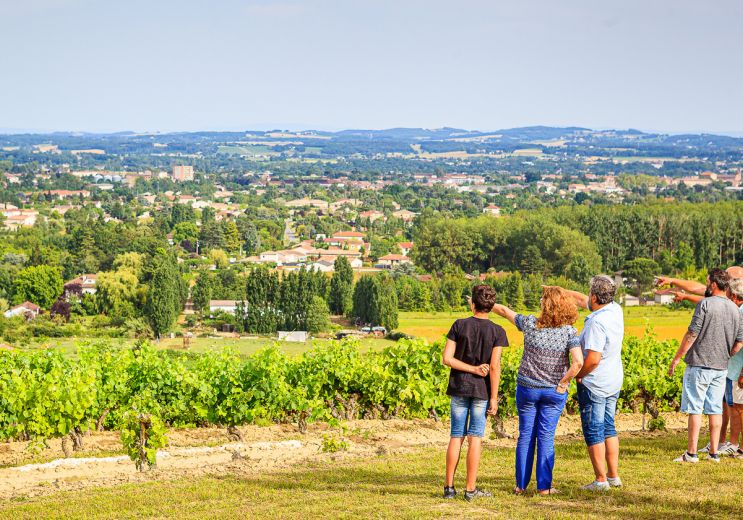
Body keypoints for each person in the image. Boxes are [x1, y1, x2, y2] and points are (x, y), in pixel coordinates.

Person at [491, 287, 584, 496]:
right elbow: (578, 362)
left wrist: (482, 302)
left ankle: (520, 485)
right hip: (553, 391)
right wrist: (563, 382)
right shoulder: (569, 331)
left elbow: (505, 311)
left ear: (546, 305)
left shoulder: (530, 324)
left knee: (525, 435)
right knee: (545, 437)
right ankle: (544, 487)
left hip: (527, 389)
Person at [657, 266, 743, 455]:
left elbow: (692, 332)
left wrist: (677, 358)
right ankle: (715, 450)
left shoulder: (711, 304)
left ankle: (695, 452)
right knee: (719, 409)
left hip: (710, 365)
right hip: (722, 367)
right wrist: (726, 355)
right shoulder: (734, 308)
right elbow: (739, 341)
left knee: (703, 408)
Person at [442, 284, 509, 501]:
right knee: (475, 438)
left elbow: (447, 359)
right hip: (482, 391)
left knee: (456, 436)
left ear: (472, 304)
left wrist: (469, 368)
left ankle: (449, 488)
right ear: (490, 306)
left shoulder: (459, 325)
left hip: (459, 387)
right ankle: (470, 490)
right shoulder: (498, 331)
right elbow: (495, 366)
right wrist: (494, 397)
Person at [562, 275, 624, 491]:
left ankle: (600, 479)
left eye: (590, 293)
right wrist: (563, 291)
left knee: (593, 429)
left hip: (595, 382)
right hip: (613, 379)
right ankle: (613, 475)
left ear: (596, 296)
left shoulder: (597, 322)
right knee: (609, 427)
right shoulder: (615, 310)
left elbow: (593, 359)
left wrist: (579, 374)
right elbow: (584, 301)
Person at [725, 278, 743, 457]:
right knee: (737, 407)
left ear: (735, 296)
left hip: (740, 369)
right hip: (736, 368)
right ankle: (736, 445)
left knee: (740, 409)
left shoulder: (742, 313)